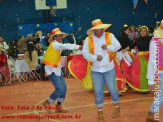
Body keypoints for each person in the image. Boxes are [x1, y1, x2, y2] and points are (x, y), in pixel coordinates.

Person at [82, 19, 121, 120]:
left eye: (102, 28)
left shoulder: (110, 36)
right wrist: (95, 58)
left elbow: (118, 46)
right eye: (99, 29)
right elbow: (85, 53)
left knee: (113, 90)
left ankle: (117, 107)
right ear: (94, 30)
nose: (101, 30)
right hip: (96, 70)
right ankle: (99, 111)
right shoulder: (88, 39)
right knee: (98, 91)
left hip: (109, 68)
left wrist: (107, 47)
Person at [41, 28, 82, 113]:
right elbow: (65, 46)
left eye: (61, 35)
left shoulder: (56, 45)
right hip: (52, 71)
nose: (62, 36)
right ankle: (47, 101)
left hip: (57, 70)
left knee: (64, 88)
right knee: (60, 89)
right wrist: (77, 46)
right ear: (55, 37)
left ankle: (58, 106)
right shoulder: (54, 45)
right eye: (60, 35)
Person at [146, 20, 163, 122]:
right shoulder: (155, 41)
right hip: (160, 72)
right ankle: (152, 113)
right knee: (161, 93)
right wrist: (150, 80)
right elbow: (152, 61)